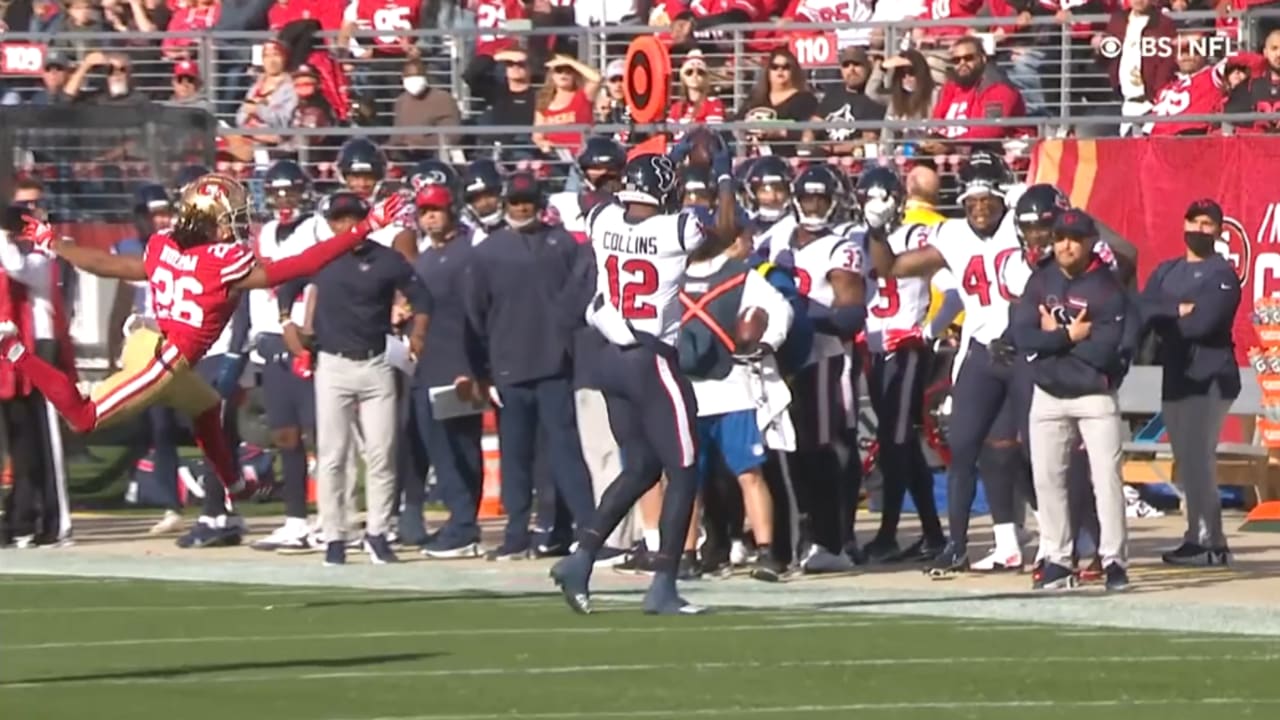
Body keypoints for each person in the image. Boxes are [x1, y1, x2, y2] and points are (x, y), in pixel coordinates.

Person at [0, 174, 406, 548]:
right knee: (83, 416)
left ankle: (233, 484)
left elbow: (108, 265)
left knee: (208, 406)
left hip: (152, 339)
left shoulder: (163, 243)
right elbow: (300, 265)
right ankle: (15, 351)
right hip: (164, 359)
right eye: (232, 216)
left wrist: (50, 239)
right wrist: (366, 226)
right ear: (213, 219)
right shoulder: (225, 261)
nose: (239, 223)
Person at [549, 152, 737, 615]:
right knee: (685, 468)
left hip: (609, 357)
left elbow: (596, 198)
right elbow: (726, 233)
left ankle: (581, 558)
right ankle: (664, 585)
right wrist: (726, 176)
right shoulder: (675, 229)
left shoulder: (601, 219)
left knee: (640, 469)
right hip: (652, 359)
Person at [865, 152, 1032, 578]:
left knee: (1036, 452)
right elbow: (892, 267)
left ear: (1003, 198)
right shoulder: (954, 234)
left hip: (1024, 349)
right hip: (978, 350)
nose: (979, 208)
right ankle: (961, 545)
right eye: (972, 200)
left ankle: (1067, 538)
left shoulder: (1021, 225)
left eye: (988, 199)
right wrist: (876, 230)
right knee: (965, 450)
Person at [276, 191, 430, 567]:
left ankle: (377, 533)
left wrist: (418, 332)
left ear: (366, 220)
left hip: (375, 362)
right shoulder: (322, 258)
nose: (347, 226)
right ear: (331, 224)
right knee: (332, 455)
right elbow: (286, 285)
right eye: (340, 219)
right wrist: (286, 323)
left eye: (353, 218)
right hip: (332, 364)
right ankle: (334, 535)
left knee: (381, 453)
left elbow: (422, 297)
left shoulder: (386, 259)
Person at [464, 170, 596, 560]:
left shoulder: (562, 245)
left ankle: (585, 529)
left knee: (565, 453)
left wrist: (571, 352)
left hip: (556, 366)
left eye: (528, 203)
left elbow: (580, 301)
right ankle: (517, 533)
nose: (522, 209)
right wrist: (481, 371)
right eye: (516, 203)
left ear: (541, 206)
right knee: (516, 455)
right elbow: (475, 316)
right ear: (505, 206)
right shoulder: (487, 252)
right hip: (509, 369)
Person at [1011, 209, 1133, 592]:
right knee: (1047, 480)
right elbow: (1023, 335)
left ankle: (1113, 559)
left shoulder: (1107, 287)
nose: (1065, 244)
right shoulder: (1041, 278)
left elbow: (1104, 352)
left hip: (1095, 395)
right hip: (1048, 394)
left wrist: (1056, 338)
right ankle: (1059, 560)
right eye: (1061, 237)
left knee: (1106, 481)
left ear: (1090, 242)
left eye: (1074, 238)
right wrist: (1069, 336)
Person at [770, 165, 868, 573]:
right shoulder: (776, 236)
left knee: (819, 452)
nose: (813, 206)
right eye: (808, 198)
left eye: (821, 199)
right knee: (781, 455)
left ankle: (833, 540)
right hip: (776, 361)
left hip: (821, 362)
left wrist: (800, 315)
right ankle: (793, 536)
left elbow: (850, 316)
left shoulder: (841, 248)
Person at [1139, 199, 1241, 567]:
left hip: (1211, 376)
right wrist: (1175, 309)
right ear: (1183, 224)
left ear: (1218, 230)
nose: (1200, 229)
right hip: (1177, 375)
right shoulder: (1168, 271)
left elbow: (1203, 325)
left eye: (1208, 223)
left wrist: (1165, 314)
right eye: (1194, 221)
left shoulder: (1221, 274)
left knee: (1199, 460)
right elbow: (1142, 308)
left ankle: (1210, 542)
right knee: (1187, 461)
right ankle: (1197, 536)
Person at [855, 167, 946, 564]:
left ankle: (893, 532)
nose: (877, 207)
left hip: (905, 345)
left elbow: (955, 288)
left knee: (896, 440)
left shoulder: (916, 235)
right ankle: (930, 533)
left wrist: (927, 331)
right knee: (900, 445)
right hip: (870, 348)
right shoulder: (851, 238)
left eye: (883, 198)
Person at [248, 160, 322, 553]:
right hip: (272, 339)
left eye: (289, 191)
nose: (283, 199)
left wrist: (309, 327)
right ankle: (295, 519)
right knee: (285, 435)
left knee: (321, 433)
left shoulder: (315, 226)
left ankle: (330, 517)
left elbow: (319, 278)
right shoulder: (267, 233)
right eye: (276, 192)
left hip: (304, 337)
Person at [411, 182, 487, 559]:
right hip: (429, 363)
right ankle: (461, 520)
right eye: (425, 211)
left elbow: (476, 313)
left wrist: (470, 367)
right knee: (441, 449)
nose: (430, 217)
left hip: (459, 363)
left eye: (436, 210)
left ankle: (463, 524)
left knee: (461, 447)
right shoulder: (426, 257)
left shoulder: (466, 253)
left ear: (450, 211)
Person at [0, 201, 75, 548]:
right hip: (27, 344)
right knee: (32, 437)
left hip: (46, 344)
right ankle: (31, 514)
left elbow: (17, 267)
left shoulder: (44, 255)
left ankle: (58, 519)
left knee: (48, 438)